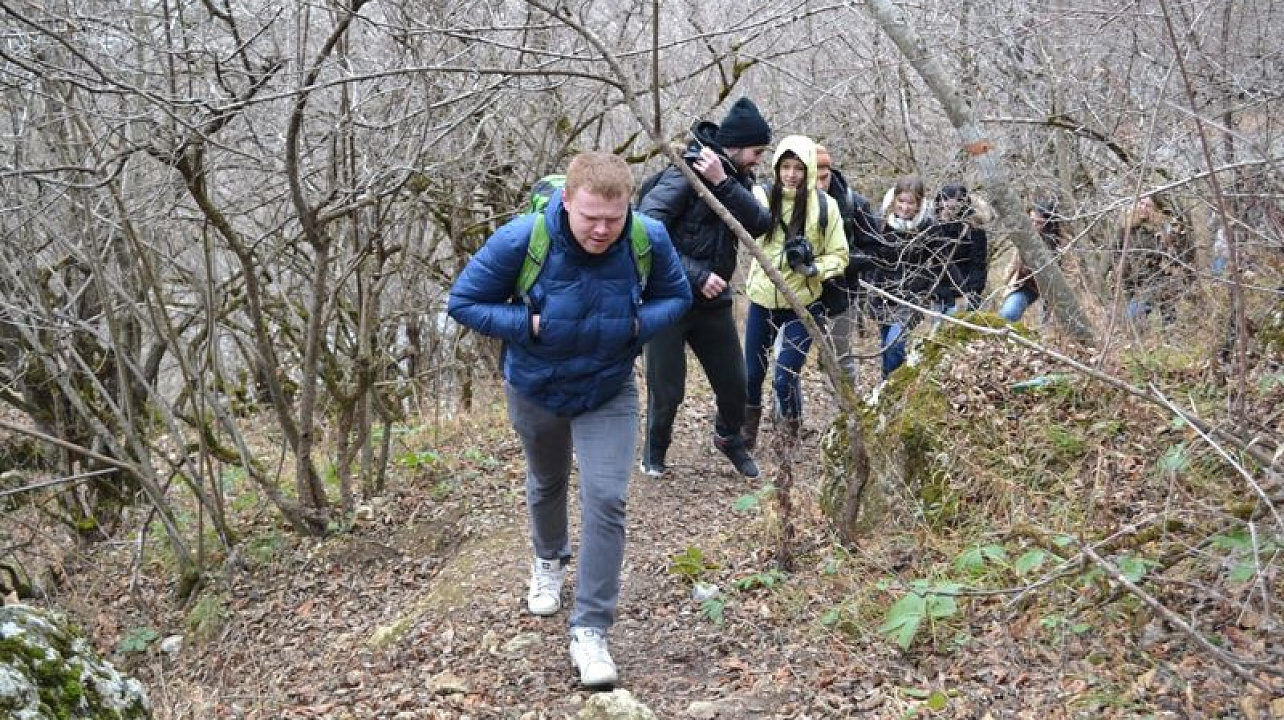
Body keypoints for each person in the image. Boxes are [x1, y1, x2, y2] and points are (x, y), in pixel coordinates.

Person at [447, 152, 692, 687]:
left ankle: (590, 630)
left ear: (629, 205)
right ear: (567, 202)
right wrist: (528, 323)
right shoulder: (522, 239)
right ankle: (548, 558)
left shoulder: (647, 237)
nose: (603, 230)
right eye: (590, 218)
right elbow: (463, 301)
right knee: (548, 480)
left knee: (607, 497)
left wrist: (634, 324)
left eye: (614, 217)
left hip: (609, 387)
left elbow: (678, 296)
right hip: (536, 387)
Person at [636, 97, 773, 479]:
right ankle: (654, 450)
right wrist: (695, 275)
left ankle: (729, 438)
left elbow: (759, 223)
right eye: (757, 150)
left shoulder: (733, 176)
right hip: (668, 299)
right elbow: (644, 228)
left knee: (737, 385)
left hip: (712, 303)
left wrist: (723, 184)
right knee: (667, 391)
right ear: (735, 145)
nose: (759, 159)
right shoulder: (686, 171)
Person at [743, 136, 848, 444]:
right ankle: (747, 433)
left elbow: (839, 254)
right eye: (785, 167)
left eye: (798, 168)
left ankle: (789, 432)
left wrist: (815, 269)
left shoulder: (826, 207)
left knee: (785, 375)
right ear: (776, 168)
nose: (791, 174)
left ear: (810, 170)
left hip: (804, 302)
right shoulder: (760, 197)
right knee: (751, 374)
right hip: (762, 299)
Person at [814, 145, 878, 382]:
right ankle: (787, 415)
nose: (820, 185)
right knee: (788, 358)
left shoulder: (855, 204)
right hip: (802, 291)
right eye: (814, 178)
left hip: (843, 293)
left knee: (842, 357)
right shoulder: (793, 203)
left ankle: (850, 411)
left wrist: (838, 261)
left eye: (824, 177)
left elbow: (874, 252)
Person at [865, 175, 937, 378]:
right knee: (885, 346)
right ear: (894, 200)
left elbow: (939, 261)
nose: (905, 207)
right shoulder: (880, 224)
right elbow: (870, 257)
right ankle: (888, 383)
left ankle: (891, 386)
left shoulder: (927, 227)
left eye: (910, 203)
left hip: (911, 297)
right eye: (901, 201)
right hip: (883, 295)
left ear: (919, 204)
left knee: (894, 344)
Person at [1116, 193, 1193, 325]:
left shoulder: (1163, 229)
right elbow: (1116, 250)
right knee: (1135, 321)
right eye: (1141, 203)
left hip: (1158, 280)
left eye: (1148, 205)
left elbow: (1172, 255)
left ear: (1155, 209)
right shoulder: (1127, 227)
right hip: (1132, 281)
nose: (1143, 208)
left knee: (1158, 315)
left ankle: (1171, 337)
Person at [1000, 198, 1064, 323]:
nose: (1034, 226)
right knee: (1009, 313)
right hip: (1026, 285)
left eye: (1039, 223)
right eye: (1031, 221)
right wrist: (1008, 282)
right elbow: (1014, 266)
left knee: (1050, 325)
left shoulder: (1062, 244)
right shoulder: (1023, 236)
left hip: (1055, 289)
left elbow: (1069, 274)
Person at [932, 183, 989, 314]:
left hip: (966, 289)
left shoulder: (973, 227)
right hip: (941, 291)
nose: (951, 204)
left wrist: (973, 294)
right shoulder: (933, 227)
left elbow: (978, 264)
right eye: (946, 199)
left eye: (958, 200)